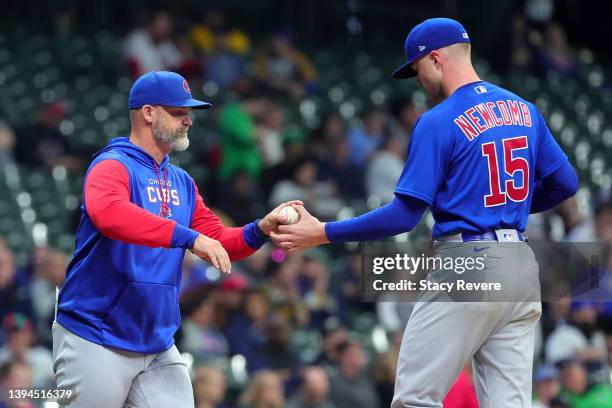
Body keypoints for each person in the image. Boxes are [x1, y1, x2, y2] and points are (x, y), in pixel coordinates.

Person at [271, 17, 578, 407]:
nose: (416, 81)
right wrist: (504, 205)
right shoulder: (525, 110)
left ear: (435, 59)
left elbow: (404, 216)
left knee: (415, 399)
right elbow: (565, 183)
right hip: (519, 263)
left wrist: (325, 232)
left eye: (416, 69)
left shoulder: (439, 120)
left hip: (469, 262)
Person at [52, 71, 301, 408]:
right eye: (178, 112)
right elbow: (109, 214)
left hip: (156, 342)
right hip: (95, 336)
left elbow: (218, 241)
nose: (188, 121)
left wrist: (259, 230)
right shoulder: (111, 165)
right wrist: (187, 238)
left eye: (189, 113)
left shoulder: (181, 180)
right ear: (149, 112)